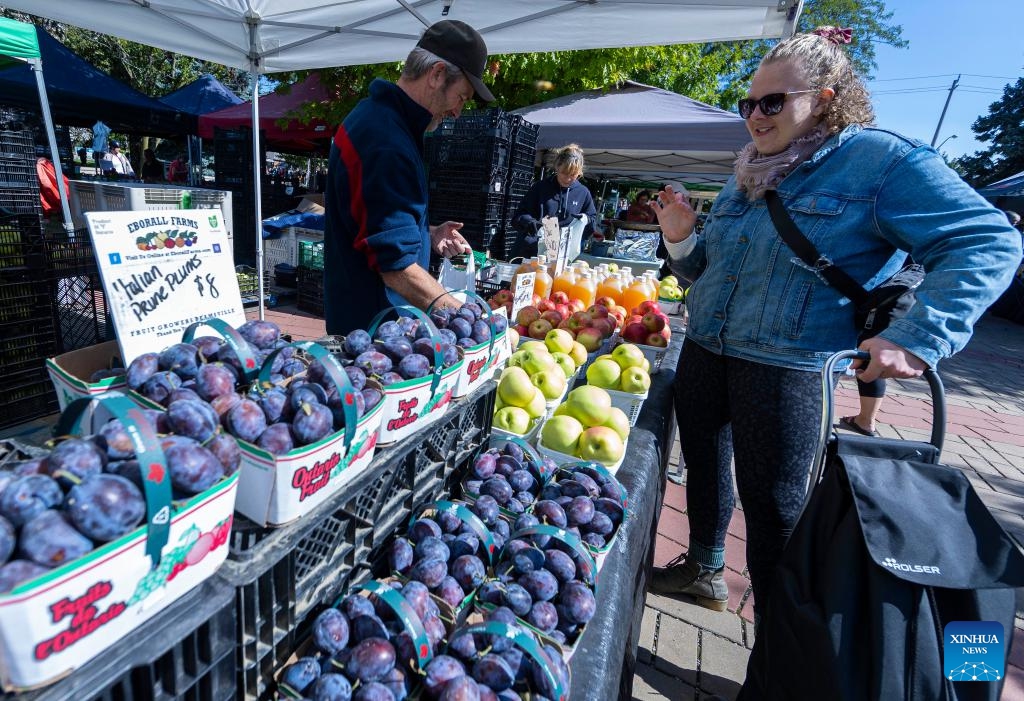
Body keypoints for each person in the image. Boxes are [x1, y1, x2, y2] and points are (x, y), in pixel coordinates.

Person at [647, 29, 1022, 622]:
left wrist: (919, 337)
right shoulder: (749, 170)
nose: (755, 116)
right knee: (704, 468)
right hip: (706, 347)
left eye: (773, 102)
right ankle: (703, 568)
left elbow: (989, 240)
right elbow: (704, 270)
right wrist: (679, 232)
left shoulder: (878, 160)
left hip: (787, 368)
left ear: (823, 98)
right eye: (749, 104)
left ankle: (778, 656)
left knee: (774, 513)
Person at [322, 20, 494, 335]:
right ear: (437, 74)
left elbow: (372, 224)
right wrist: (470, 320)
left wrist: (423, 234)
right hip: (372, 334)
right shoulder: (386, 139)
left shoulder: (380, 120)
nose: (458, 111)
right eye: (462, 97)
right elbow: (396, 269)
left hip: (365, 320)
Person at [510, 143, 597, 259]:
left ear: (580, 173)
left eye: (573, 175)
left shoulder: (583, 192)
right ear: (557, 167)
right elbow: (519, 216)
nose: (568, 179)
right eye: (564, 173)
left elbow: (592, 221)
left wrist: (584, 219)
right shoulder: (540, 187)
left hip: (562, 255)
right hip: (530, 252)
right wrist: (531, 223)